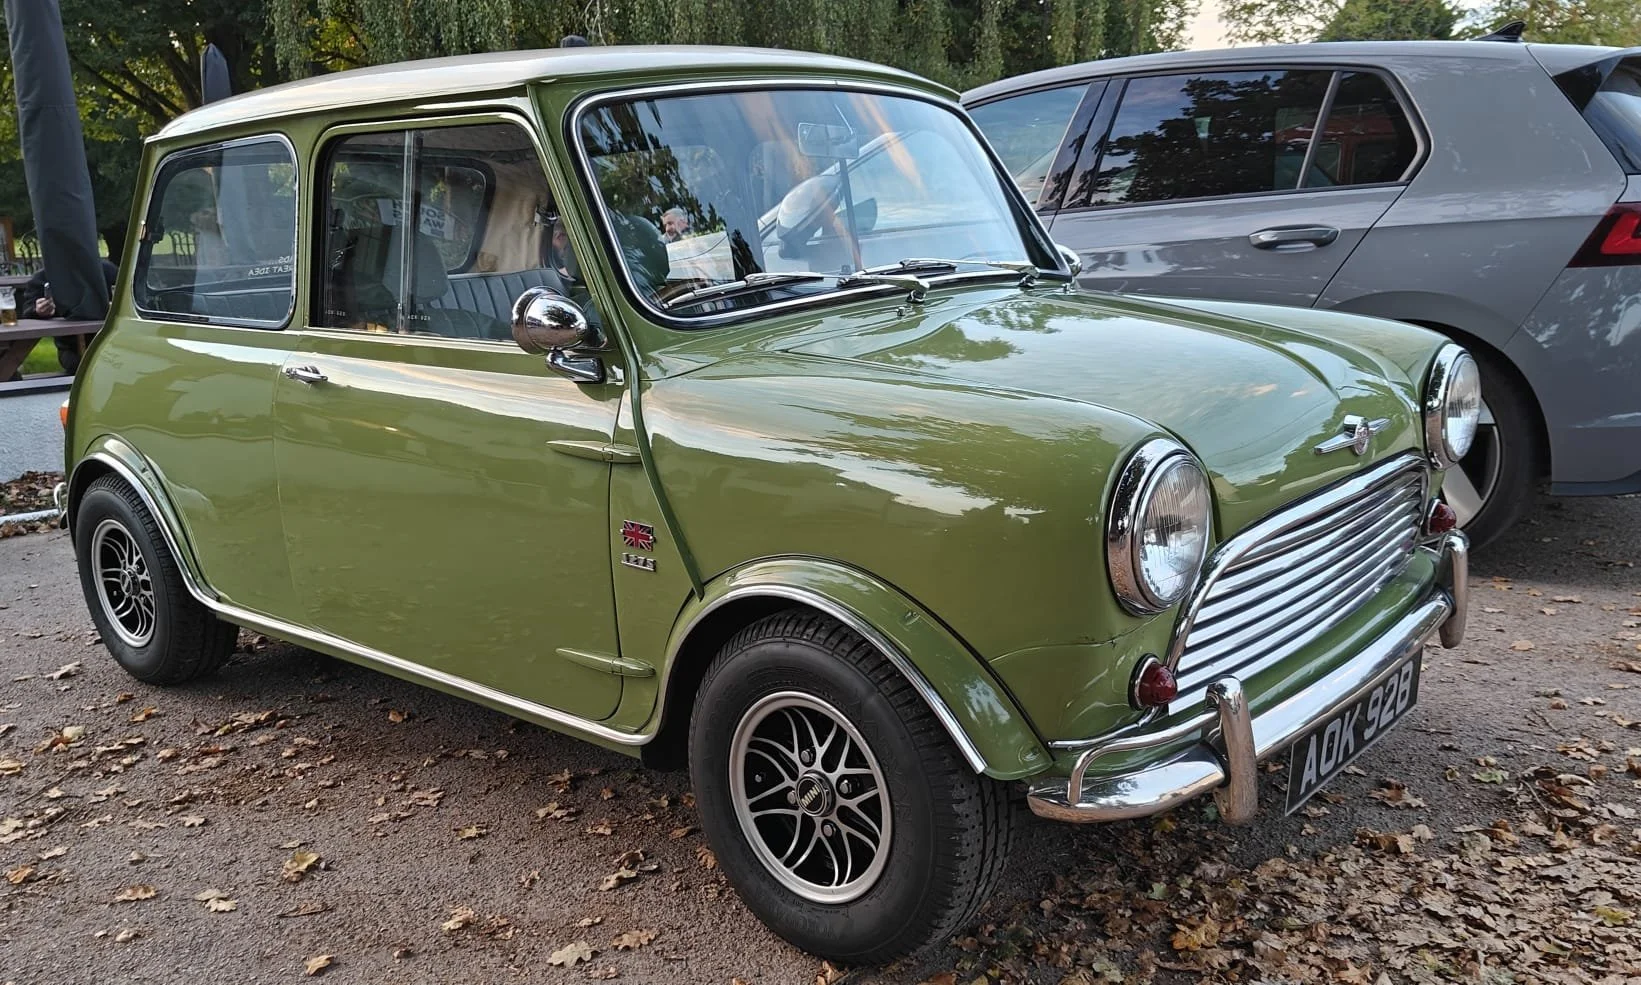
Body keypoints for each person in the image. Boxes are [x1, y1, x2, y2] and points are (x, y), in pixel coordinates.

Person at [19, 258, 117, 374]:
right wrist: (38, 310)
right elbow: (27, 310)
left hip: (111, 342)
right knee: (83, 366)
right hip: (71, 348)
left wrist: (114, 306)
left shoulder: (107, 270)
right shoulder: (44, 277)